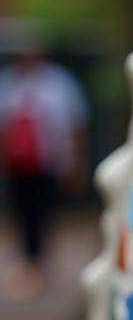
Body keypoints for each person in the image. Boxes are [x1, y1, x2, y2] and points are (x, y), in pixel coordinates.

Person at [0, 42, 88, 300]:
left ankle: (39, 261)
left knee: (43, 212)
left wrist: (76, 161)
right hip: (18, 165)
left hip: (48, 162)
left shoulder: (60, 83)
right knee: (22, 212)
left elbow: (75, 124)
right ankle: (30, 262)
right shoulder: (8, 83)